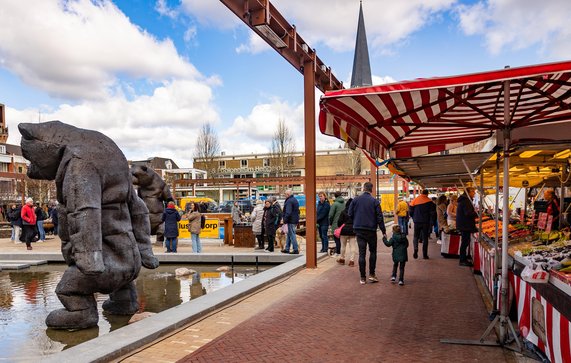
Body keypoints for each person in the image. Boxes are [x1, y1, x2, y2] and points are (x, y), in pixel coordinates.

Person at [348, 182, 387, 285]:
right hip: (371, 231)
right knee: (373, 252)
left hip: (359, 230)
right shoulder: (375, 201)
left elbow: (350, 214)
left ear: (363, 188)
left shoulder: (355, 200)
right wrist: (383, 231)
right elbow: (380, 217)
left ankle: (362, 277)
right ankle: (372, 274)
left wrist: (356, 221)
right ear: (371, 190)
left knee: (362, 253)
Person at [409, 190, 436, 260]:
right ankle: (425, 254)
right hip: (426, 222)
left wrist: (414, 217)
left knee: (416, 236)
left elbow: (410, 211)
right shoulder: (430, 202)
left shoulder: (415, 200)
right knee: (425, 238)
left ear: (421, 193)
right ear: (427, 194)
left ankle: (415, 248)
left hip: (417, 221)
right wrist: (432, 222)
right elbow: (433, 213)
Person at [456, 187, 478, 266]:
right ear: (468, 193)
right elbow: (468, 213)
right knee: (465, 242)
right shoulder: (466, 201)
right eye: (473, 192)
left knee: (465, 242)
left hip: (463, 224)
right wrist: (477, 213)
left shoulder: (464, 200)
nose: (474, 193)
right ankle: (462, 260)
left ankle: (463, 258)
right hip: (465, 225)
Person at [337, 198, 356, 266]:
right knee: (352, 246)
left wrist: (340, 226)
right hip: (352, 231)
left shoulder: (343, 212)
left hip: (344, 231)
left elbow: (339, 222)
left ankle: (342, 259)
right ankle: (351, 261)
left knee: (343, 246)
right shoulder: (355, 212)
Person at [281, 189, 300, 254]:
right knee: (289, 235)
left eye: (285, 194)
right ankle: (287, 248)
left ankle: (295, 249)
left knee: (292, 235)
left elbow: (288, 212)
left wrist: (284, 220)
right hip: (294, 219)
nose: (284, 195)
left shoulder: (289, 201)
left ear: (288, 194)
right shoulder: (294, 200)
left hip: (291, 220)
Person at [329, 191, 345, 255]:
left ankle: (338, 252)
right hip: (343, 224)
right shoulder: (344, 203)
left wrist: (330, 223)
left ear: (335, 196)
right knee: (342, 239)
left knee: (336, 239)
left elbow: (331, 215)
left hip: (336, 224)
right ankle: (341, 252)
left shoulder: (335, 204)